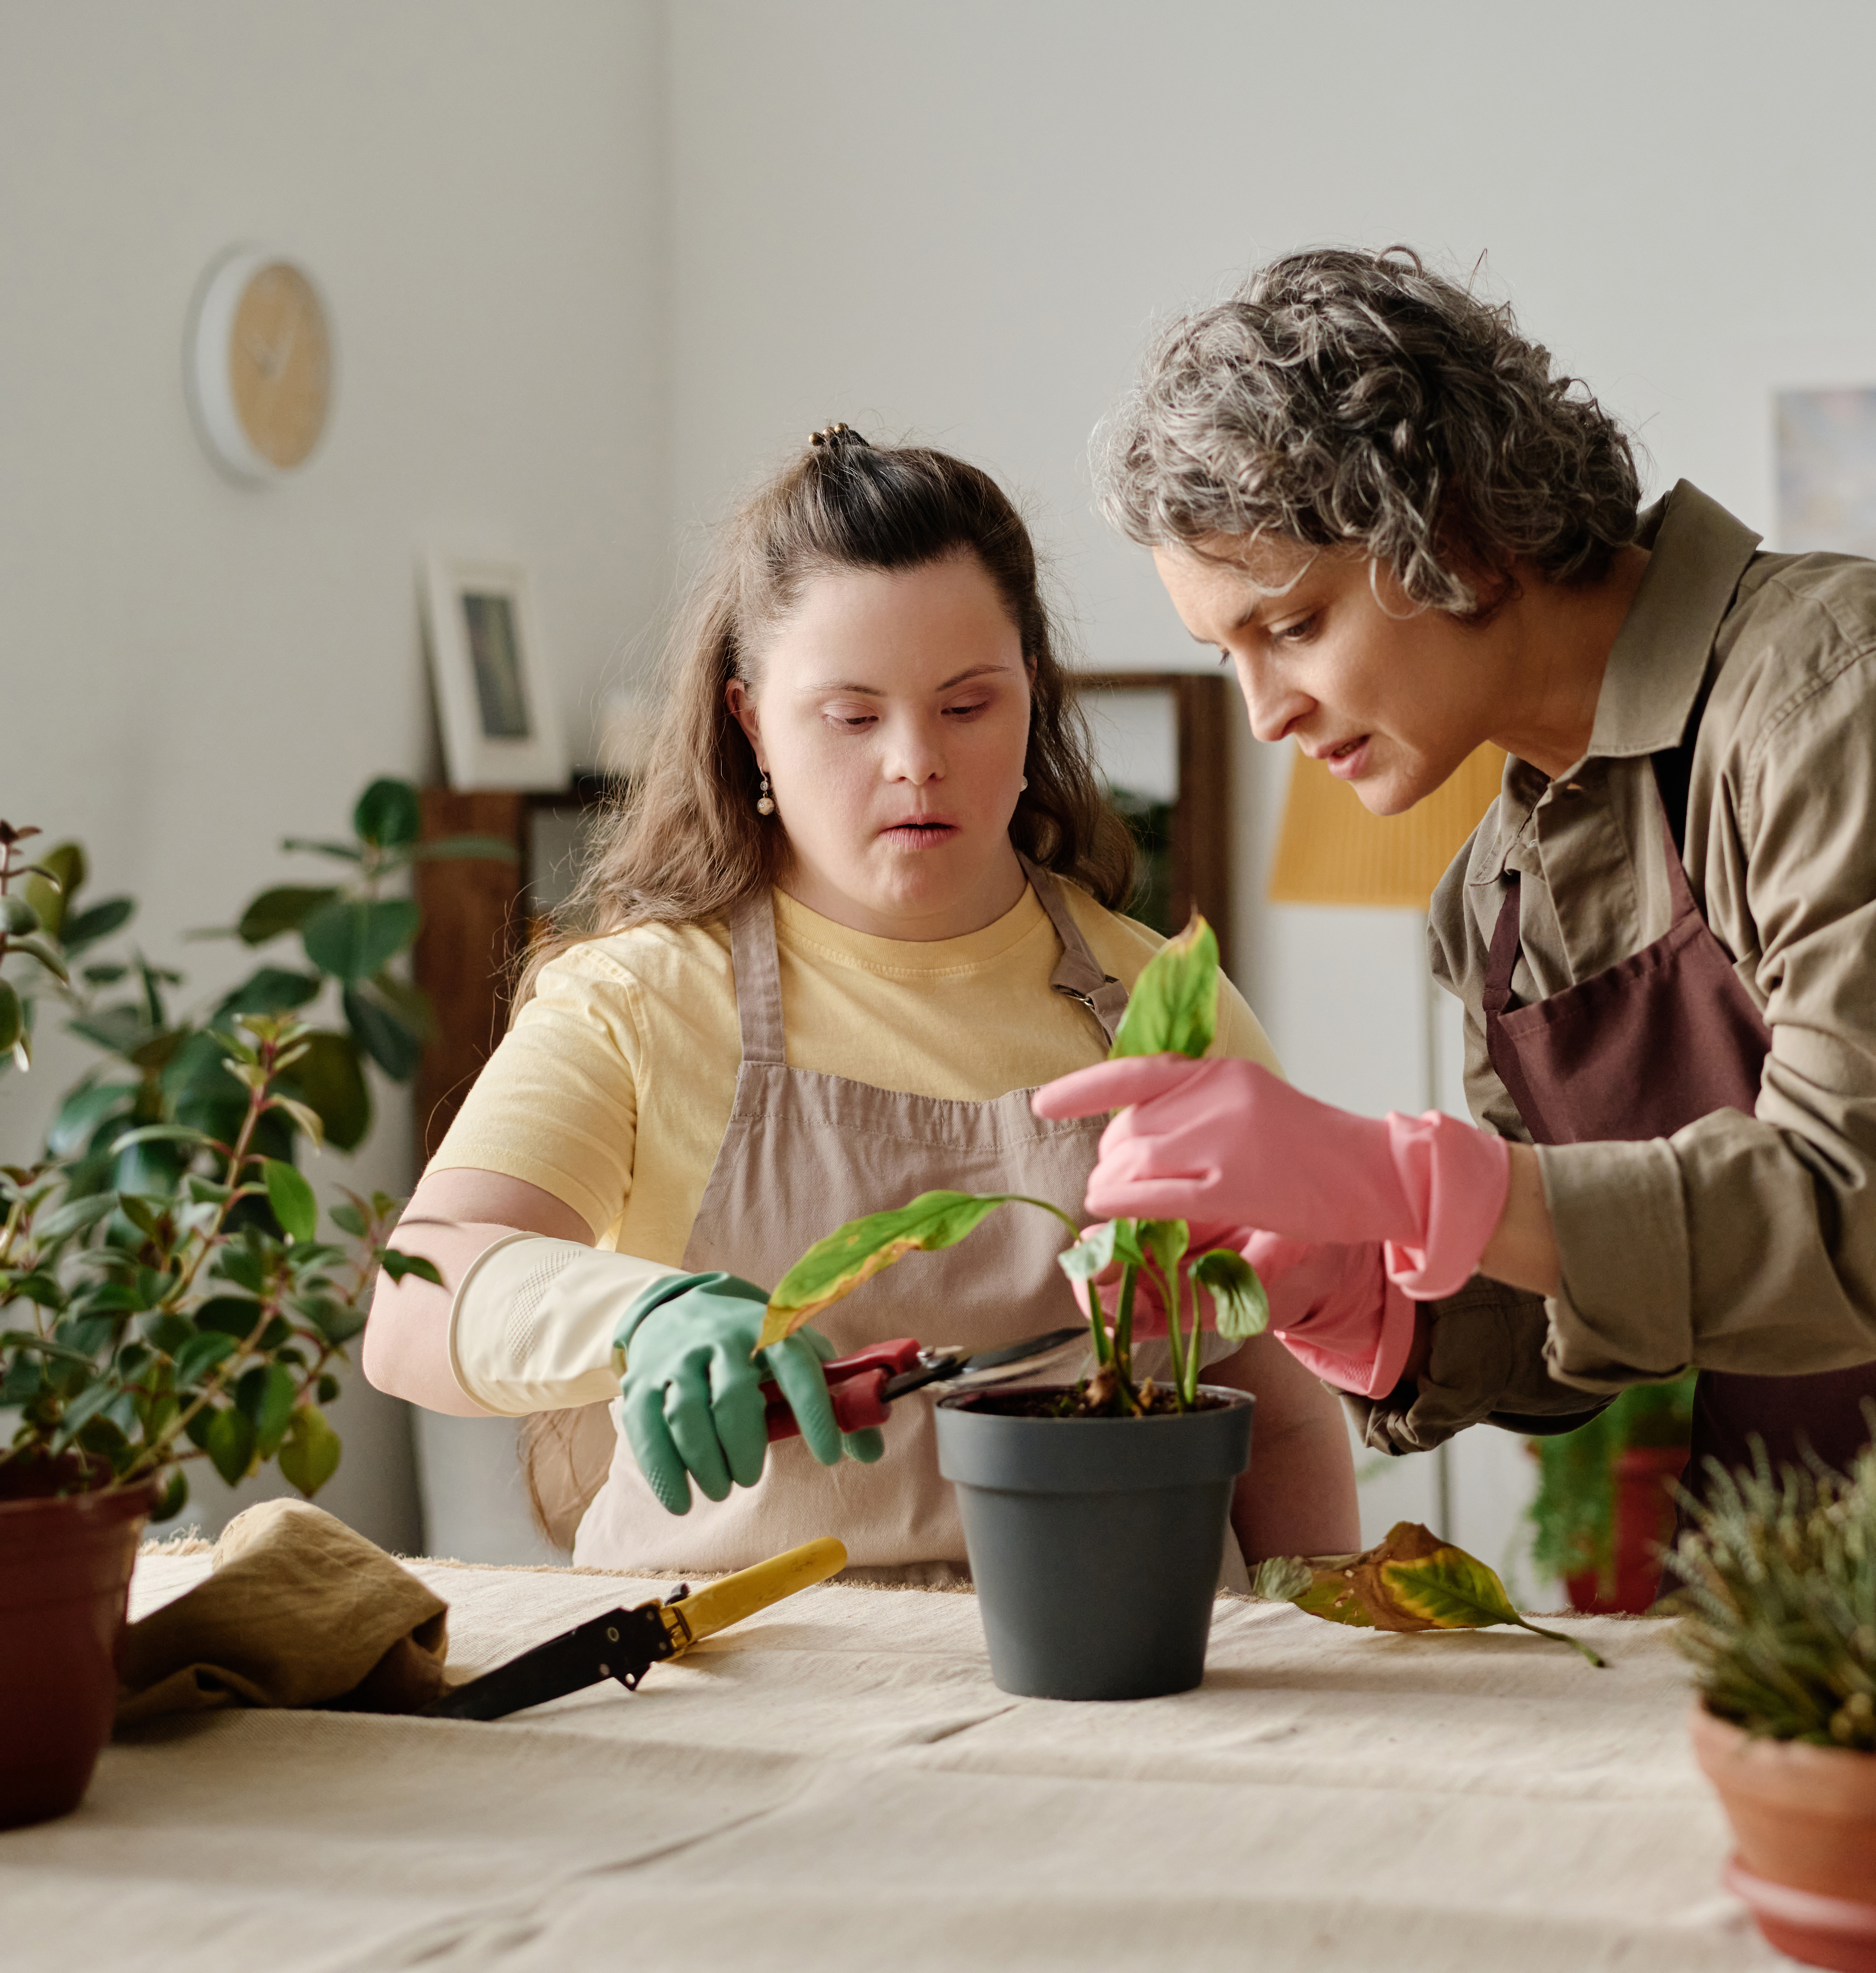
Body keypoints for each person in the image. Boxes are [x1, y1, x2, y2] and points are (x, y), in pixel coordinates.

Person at [1041, 249, 1876, 1496]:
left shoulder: (1861, 699)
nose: (1267, 713)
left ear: (1465, 531)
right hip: (1797, 1562)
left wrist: (1407, 1173)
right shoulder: (1498, 890)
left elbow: (1863, 1220)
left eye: (1296, 625)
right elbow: (1579, 1311)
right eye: (1232, 658)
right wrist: (1359, 1284)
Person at [364, 427, 1358, 1576]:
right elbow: (414, 1306)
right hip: (737, 1694)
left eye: (968, 706)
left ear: (1033, 696)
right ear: (751, 727)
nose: (915, 762)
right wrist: (644, 1319)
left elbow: (1277, 1409)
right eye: (851, 716)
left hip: (1115, 1699)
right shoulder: (636, 1001)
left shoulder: (1163, 1007)